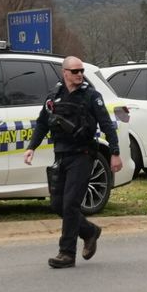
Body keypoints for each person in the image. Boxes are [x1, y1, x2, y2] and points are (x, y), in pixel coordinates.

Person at [23, 56, 124, 269]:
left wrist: (115, 153)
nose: (79, 75)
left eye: (81, 71)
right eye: (75, 71)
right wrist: (31, 147)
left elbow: (107, 125)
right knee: (58, 204)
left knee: (70, 205)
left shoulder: (91, 96)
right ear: (65, 73)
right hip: (61, 155)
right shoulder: (54, 96)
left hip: (83, 155)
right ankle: (89, 231)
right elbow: (42, 123)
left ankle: (66, 253)